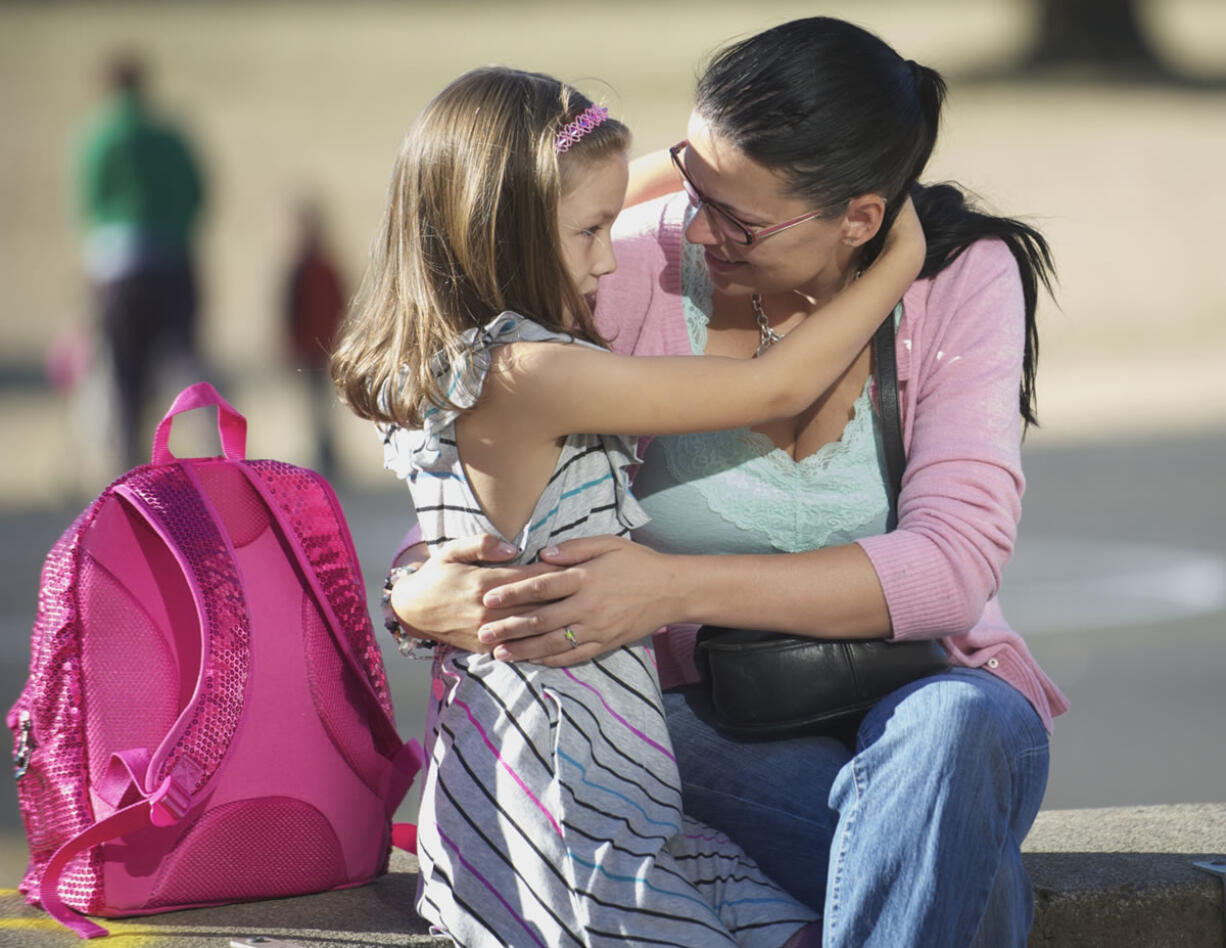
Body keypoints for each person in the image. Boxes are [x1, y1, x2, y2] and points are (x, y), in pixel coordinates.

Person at [386, 17, 1070, 948]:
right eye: (692, 178)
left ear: (862, 218)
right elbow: (482, 464)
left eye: (739, 217)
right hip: (696, 728)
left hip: (921, 706)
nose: (697, 225)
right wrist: (418, 589)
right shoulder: (627, 263)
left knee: (962, 730)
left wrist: (670, 587)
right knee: (948, 858)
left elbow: (952, 569)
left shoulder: (960, 281)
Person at [331, 65, 926, 947]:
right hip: (572, 774)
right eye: (590, 231)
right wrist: (902, 255)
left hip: (575, 749)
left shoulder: (456, 359)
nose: (611, 256)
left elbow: (559, 188)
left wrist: (666, 167)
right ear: (509, 227)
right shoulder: (534, 373)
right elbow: (779, 383)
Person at [75, 52, 207, 470]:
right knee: (180, 365)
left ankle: (128, 466)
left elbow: (87, 204)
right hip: (171, 263)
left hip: (117, 271)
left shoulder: (98, 139)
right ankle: (209, 453)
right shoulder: (169, 137)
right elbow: (197, 193)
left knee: (123, 375)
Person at [284, 199, 347, 478]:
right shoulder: (303, 267)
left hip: (325, 346)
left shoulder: (321, 265)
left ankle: (329, 457)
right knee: (315, 406)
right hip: (309, 348)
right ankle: (325, 456)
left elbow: (340, 304)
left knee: (324, 405)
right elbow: (290, 311)